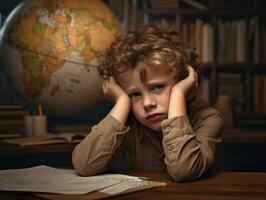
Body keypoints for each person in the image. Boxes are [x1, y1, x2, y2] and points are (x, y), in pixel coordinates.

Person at [72, 26, 223, 182]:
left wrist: (178, 95)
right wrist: (122, 102)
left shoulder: (207, 119)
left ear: (184, 82)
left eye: (158, 87)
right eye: (135, 94)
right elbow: (85, 166)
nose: (147, 103)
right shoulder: (130, 125)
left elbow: (184, 171)